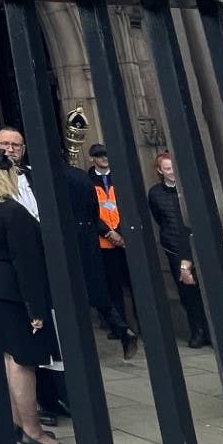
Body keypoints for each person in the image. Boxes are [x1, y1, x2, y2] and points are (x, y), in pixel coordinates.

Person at [0, 148, 74, 444]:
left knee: (8, 358)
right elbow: (26, 263)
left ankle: (18, 423)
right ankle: (33, 432)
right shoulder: (12, 212)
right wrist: (36, 309)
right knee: (24, 361)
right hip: (16, 294)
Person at [147, 152, 210, 348]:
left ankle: (211, 331)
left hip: (197, 245)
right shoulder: (156, 193)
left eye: (173, 167)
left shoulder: (189, 188)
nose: (172, 172)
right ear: (160, 171)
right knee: (187, 293)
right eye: (167, 169)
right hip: (174, 248)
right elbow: (159, 218)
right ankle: (197, 330)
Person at [87, 143, 139, 358]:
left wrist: (122, 233)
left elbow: (130, 205)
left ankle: (142, 323)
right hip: (105, 241)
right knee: (112, 285)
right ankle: (120, 326)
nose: (104, 158)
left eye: (106, 154)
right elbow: (89, 210)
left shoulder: (121, 178)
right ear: (92, 158)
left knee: (135, 282)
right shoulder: (88, 181)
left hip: (126, 239)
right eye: (99, 155)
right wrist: (109, 233)